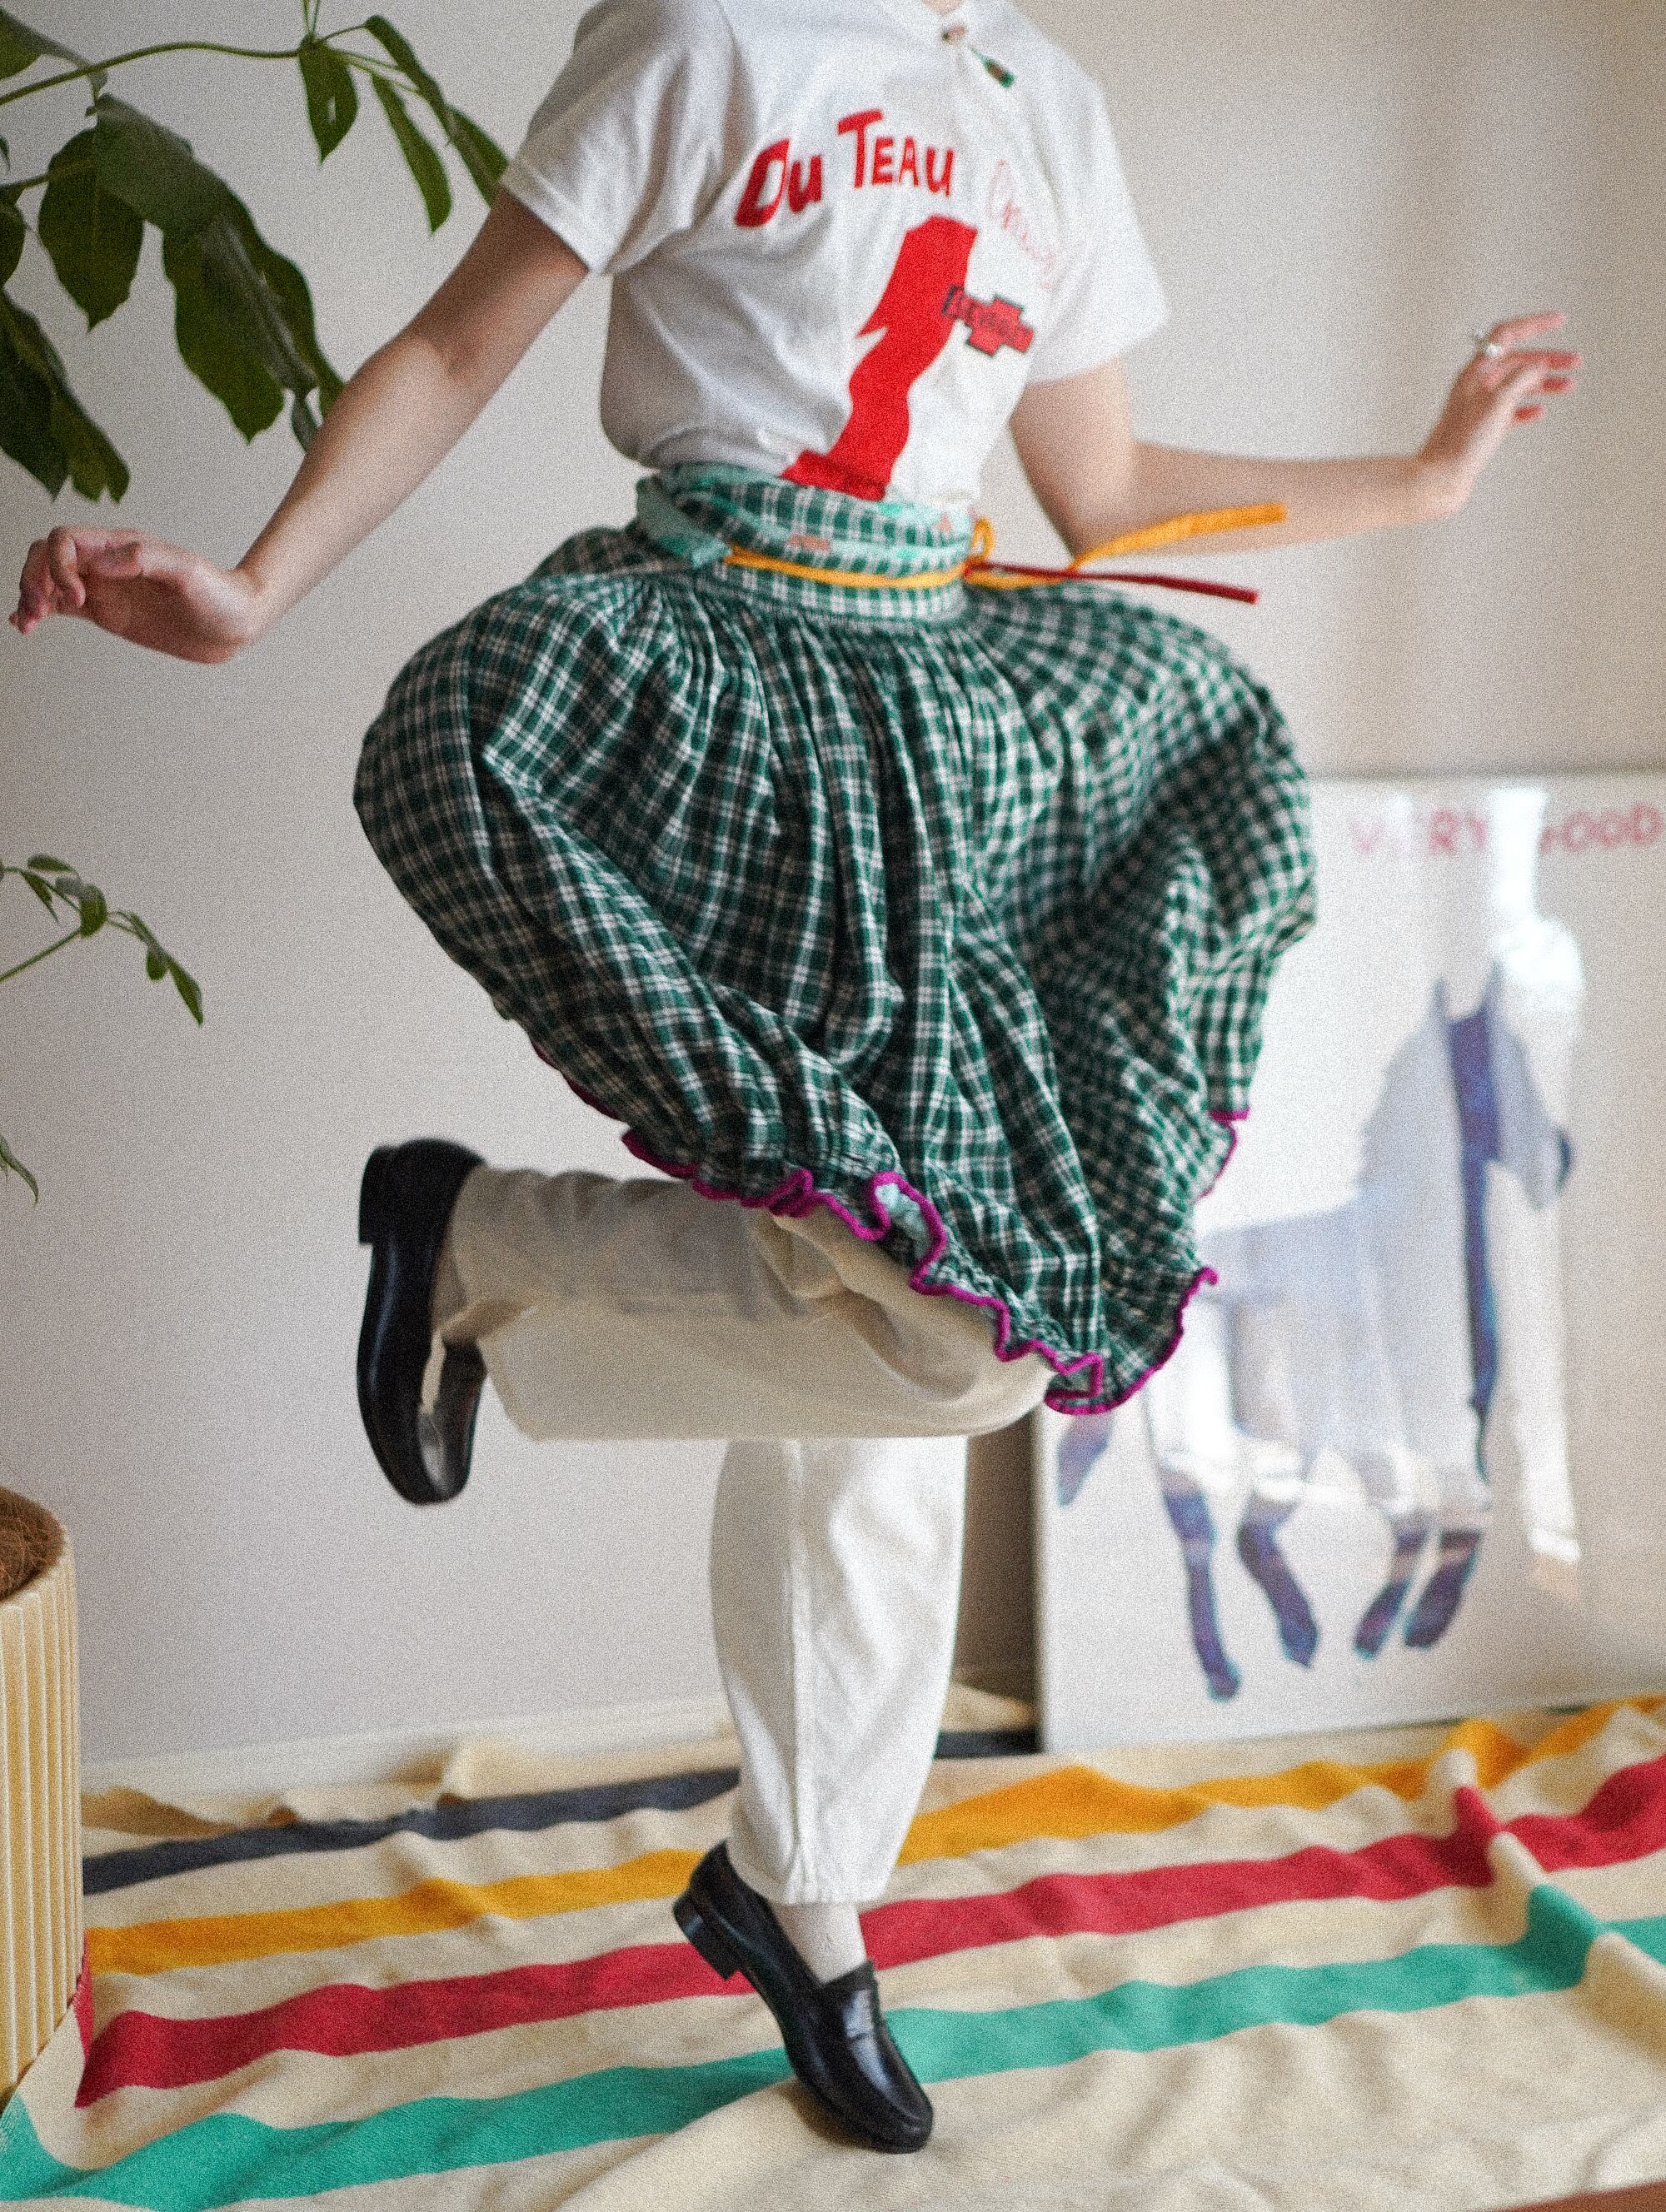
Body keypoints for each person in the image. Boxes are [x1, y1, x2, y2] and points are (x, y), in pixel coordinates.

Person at [12, 0, 1576, 2155]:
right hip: (730, 698)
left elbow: (1102, 489)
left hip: (941, 726)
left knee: (913, 1294)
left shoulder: (1042, 100)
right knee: (950, 1326)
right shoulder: (709, 35)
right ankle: (479, 1253)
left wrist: (1425, 476)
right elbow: (462, 342)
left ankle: (801, 1881)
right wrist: (258, 586)